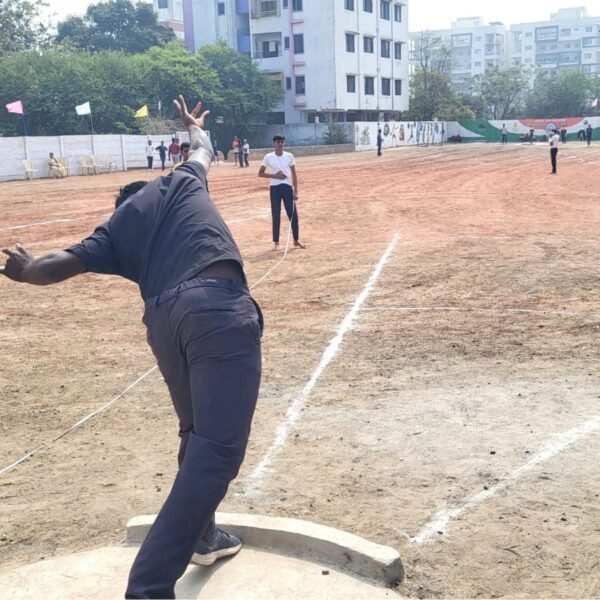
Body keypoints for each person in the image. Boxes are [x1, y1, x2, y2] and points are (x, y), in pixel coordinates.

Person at [1, 95, 263, 599]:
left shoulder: (114, 231)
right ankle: (148, 589)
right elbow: (203, 148)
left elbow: (56, 265)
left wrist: (27, 270)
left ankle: (203, 535)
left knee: (196, 434)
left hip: (164, 320)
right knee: (218, 449)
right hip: (215, 307)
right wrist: (192, 127)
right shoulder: (179, 182)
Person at [258, 135, 305, 250]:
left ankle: (296, 240)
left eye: (281, 142)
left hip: (287, 188)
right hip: (275, 188)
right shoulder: (268, 157)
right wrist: (275, 176)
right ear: (273, 144)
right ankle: (276, 241)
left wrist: (296, 191)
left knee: (293, 214)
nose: (280, 144)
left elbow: (294, 174)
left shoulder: (289, 156)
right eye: (278, 142)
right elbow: (260, 173)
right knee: (276, 214)